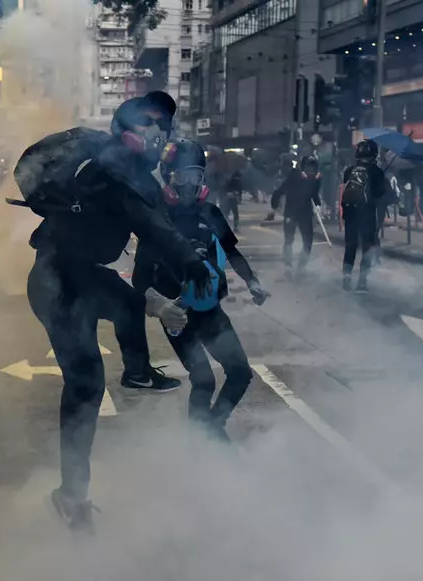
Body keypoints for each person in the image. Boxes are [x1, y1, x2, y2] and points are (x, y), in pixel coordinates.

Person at [23, 93, 212, 533]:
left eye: (163, 125)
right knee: (86, 382)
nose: (159, 133)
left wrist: (170, 282)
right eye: (150, 123)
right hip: (59, 282)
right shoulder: (112, 169)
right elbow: (152, 226)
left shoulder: (122, 170)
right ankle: (73, 495)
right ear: (128, 126)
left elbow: (144, 238)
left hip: (79, 277)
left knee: (124, 311)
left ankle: (135, 375)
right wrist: (190, 261)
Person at [133, 138, 268, 441]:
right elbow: (139, 279)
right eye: (181, 176)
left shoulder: (210, 213)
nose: (189, 185)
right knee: (203, 380)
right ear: (168, 176)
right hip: (178, 315)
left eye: (195, 176)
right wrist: (159, 306)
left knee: (240, 372)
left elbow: (232, 252)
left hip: (211, 310)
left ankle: (212, 426)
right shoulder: (156, 219)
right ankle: (199, 442)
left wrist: (253, 281)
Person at [340, 139, 388, 293]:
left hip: (349, 213)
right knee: (367, 248)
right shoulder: (376, 171)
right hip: (367, 214)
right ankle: (362, 282)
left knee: (350, 246)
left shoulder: (349, 170)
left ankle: (346, 277)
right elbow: (380, 194)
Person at [271, 155, 321, 273]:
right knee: (289, 239)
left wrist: (318, 205)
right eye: (309, 167)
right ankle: (288, 264)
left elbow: (314, 194)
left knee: (307, 240)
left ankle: (302, 265)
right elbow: (281, 190)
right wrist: (274, 204)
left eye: (313, 168)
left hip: (305, 214)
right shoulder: (293, 175)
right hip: (291, 213)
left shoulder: (316, 179)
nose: (311, 170)